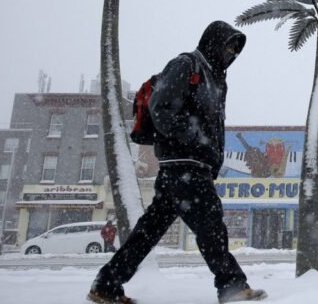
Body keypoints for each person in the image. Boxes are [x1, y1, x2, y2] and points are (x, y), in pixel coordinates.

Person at [88, 21, 266, 303]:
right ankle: (232, 285)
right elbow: (161, 106)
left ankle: (106, 285)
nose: (231, 52)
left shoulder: (216, 79)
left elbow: (213, 125)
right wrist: (195, 139)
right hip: (185, 165)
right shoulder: (186, 65)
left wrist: (212, 157)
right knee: (211, 228)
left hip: (190, 167)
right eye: (228, 45)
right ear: (214, 41)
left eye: (235, 49)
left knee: (147, 232)